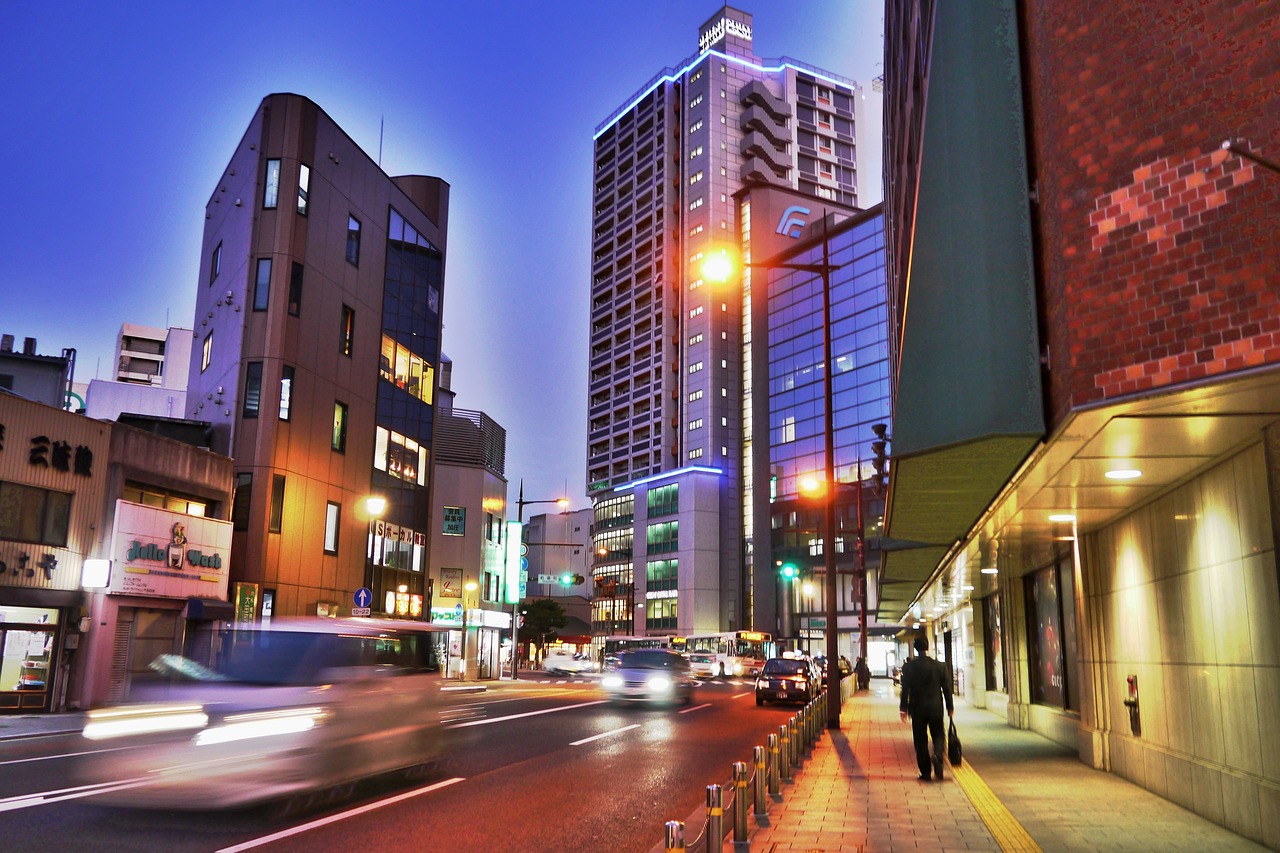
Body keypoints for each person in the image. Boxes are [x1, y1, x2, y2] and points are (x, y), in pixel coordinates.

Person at [898, 635, 954, 781]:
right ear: (927, 647)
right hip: (936, 707)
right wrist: (950, 707)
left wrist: (903, 708)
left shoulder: (910, 667)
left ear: (916, 649)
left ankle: (925, 772)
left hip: (917, 709)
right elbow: (947, 688)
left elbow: (906, 689)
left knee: (920, 740)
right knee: (939, 734)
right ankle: (938, 756)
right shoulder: (940, 666)